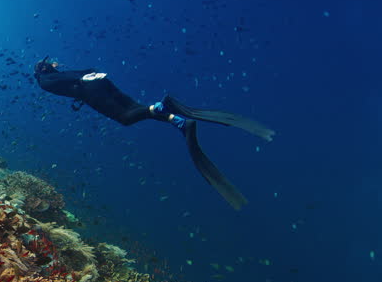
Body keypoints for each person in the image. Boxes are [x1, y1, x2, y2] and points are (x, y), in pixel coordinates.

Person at [34, 57, 274, 210]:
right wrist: (87, 74)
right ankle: (175, 119)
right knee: (135, 107)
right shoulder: (52, 73)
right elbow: (84, 71)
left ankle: (162, 108)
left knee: (125, 118)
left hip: (89, 88)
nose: (56, 64)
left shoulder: (43, 80)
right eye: (52, 63)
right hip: (101, 80)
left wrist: (79, 80)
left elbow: (62, 81)